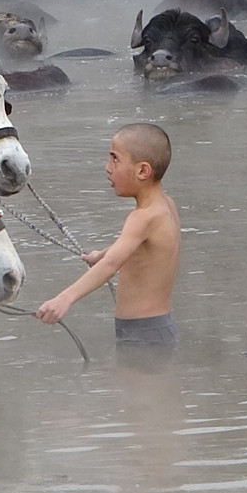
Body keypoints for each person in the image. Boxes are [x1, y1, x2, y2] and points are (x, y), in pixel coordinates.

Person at [35, 123, 181, 346]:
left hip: (142, 334)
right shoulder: (166, 205)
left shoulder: (142, 217)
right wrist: (100, 255)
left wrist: (64, 299)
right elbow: (137, 248)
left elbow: (112, 264)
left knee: (139, 381)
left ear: (142, 171)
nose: (108, 167)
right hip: (157, 327)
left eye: (115, 159)